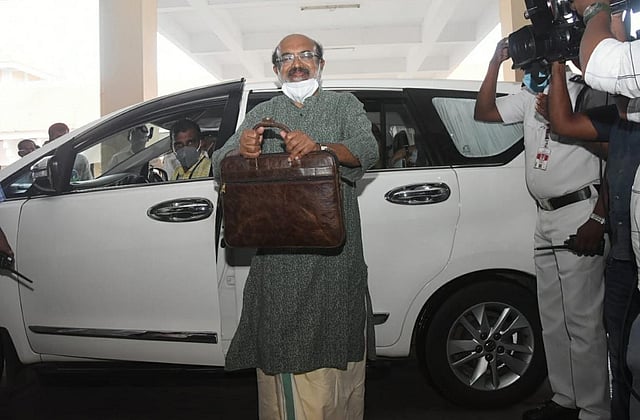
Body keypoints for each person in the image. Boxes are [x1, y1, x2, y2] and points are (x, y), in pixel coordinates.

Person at [211, 33, 379, 419]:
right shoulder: (263, 113)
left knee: (338, 347)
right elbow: (220, 161)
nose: (297, 64)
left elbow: (367, 149)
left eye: (305, 55)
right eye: (287, 58)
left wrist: (321, 148)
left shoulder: (343, 105)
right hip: (279, 262)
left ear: (321, 63)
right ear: (276, 69)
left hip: (335, 256)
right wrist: (242, 150)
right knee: (284, 346)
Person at [475, 39, 610, 420]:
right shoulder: (529, 97)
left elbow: (613, 157)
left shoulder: (585, 95)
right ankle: (566, 399)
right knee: (553, 318)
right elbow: (484, 112)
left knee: (582, 320)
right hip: (546, 216)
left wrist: (598, 219)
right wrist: (493, 63)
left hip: (579, 211)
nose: (524, 63)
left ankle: (594, 409)